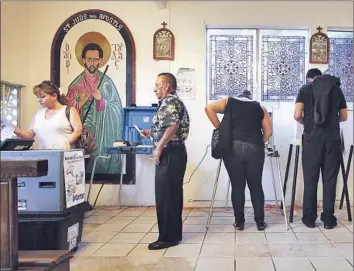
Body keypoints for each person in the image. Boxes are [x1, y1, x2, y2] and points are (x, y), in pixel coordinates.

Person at [205, 91, 272, 231]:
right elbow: (268, 132)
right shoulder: (259, 106)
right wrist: (260, 142)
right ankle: (260, 222)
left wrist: (221, 129)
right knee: (256, 186)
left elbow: (209, 108)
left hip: (233, 148)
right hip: (255, 148)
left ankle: (240, 222)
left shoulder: (229, 102)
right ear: (250, 98)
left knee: (237, 186)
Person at [294, 68, 348, 229]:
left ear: (309, 78)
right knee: (330, 180)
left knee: (311, 179)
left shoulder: (304, 89)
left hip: (312, 140)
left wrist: (308, 125)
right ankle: (328, 219)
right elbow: (344, 116)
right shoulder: (336, 89)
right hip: (332, 140)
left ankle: (309, 218)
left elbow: (297, 115)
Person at [142, 73, 190, 250]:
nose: (155, 89)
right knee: (172, 195)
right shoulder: (173, 101)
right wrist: (152, 133)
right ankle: (173, 234)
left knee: (166, 196)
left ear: (167, 86)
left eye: (157, 85)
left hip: (170, 153)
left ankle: (167, 238)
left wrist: (159, 146)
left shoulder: (169, 101)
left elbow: (173, 125)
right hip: (175, 152)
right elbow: (169, 125)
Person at [66, 43, 123, 176]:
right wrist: (79, 102)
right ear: (84, 60)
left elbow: (116, 110)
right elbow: (67, 112)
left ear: (100, 61)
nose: (92, 63)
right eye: (89, 59)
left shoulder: (106, 83)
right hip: (81, 134)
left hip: (101, 133)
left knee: (99, 161)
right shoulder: (75, 85)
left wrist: (102, 101)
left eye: (96, 59)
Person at [14, 81, 82, 149]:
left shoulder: (69, 110)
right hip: (44, 156)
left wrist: (65, 144)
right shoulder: (38, 114)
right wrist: (14, 129)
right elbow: (29, 135)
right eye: (38, 97)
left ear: (54, 96)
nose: (39, 100)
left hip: (65, 155)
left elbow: (78, 131)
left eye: (43, 97)